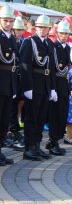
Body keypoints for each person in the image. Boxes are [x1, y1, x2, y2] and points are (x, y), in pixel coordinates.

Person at [21, 14, 57, 161]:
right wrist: (27, 87)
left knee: (41, 117)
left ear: (49, 28)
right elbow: (25, 65)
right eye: (41, 27)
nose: (43, 30)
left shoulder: (49, 43)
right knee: (31, 117)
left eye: (46, 27)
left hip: (46, 84)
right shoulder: (30, 42)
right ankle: (29, 147)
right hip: (34, 84)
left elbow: (52, 68)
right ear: (36, 28)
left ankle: (37, 145)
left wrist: (53, 88)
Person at [46, 21, 71, 155]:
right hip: (55, 82)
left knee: (62, 114)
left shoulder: (67, 48)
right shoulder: (53, 47)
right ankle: (53, 140)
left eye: (66, 33)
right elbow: (52, 69)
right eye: (61, 33)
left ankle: (56, 140)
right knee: (55, 115)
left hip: (64, 83)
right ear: (57, 34)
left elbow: (67, 67)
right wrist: (53, 88)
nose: (64, 36)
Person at [0, 5, 18, 165]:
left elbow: (13, 62)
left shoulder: (12, 38)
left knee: (4, 119)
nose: (8, 23)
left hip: (9, 82)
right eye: (5, 20)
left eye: (11, 21)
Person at [6, 16, 26, 151]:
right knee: (9, 107)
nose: (18, 32)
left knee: (17, 104)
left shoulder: (23, 42)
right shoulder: (9, 40)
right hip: (9, 77)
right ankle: (10, 130)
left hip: (19, 78)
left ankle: (13, 130)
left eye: (20, 30)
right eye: (16, 30)